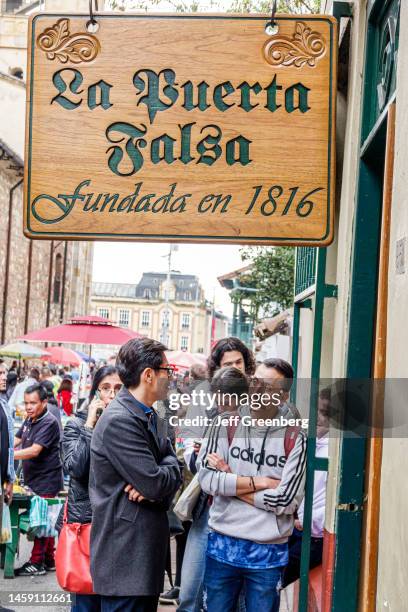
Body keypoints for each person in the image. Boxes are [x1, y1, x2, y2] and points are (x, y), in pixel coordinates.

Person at [198, 361, 307, 612]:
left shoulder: (293, 437)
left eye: (267, 386)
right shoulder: (224, 424)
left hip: (268, 553)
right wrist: (262, 482)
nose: (257, 391)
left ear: (283, 395)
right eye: (255, 381)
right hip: (222, 545)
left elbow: (286, 501)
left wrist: (230, 478)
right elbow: (207, 480)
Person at [89, 338, 182, 611]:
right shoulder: (120, 420)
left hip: (141, 559)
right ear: (149, 375)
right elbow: (154, 483)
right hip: (126, 560)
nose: (171, 377)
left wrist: (166, 469)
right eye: (168, 371)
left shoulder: (150, 413)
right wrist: (165, 471)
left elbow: (168, 464)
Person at [177, 337, 256, 612]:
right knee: (190, 592)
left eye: (239, 363)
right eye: (228, 364)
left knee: (235, 599)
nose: (235, 368)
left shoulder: (259, 401)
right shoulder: (204, 399)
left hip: (248, 512)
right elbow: (191, 455)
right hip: (208, 508)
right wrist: (202, 455)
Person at [60, 366, 123, 612]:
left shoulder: (127, 425)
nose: (112, 394)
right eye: (106, 388)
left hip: (117, 525)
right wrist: (89, 426)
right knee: (86, 600)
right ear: (95, 391)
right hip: (85, 523)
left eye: (118, 388)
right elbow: (75, 467)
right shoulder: (76, 424)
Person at [282, 388, 331, 588]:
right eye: (316, 411)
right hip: (296, 528)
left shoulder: (333, 451)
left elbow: (336, 499)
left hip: (313, 536)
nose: (318, 418)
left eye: (326, 413)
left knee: (273, 580)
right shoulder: (309, 442)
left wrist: (307, 520)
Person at [14, 383, 63, 576]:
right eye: (26, 403)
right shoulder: (30, 419)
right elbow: (17, 440)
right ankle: (49, 560)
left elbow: (35, 451)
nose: (28, 407)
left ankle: (37, 562)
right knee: (47, 520)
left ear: (44, 402)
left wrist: (9, 454)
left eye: (33, 403)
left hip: (47, 480)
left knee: (41, 521)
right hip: (34, 480)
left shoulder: (49, 422)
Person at [0, 363, 15, 537]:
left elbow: (8, 446)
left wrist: (9, 478)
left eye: (4, 373)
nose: (4, 377)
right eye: (0, 373)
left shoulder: (3, 404)